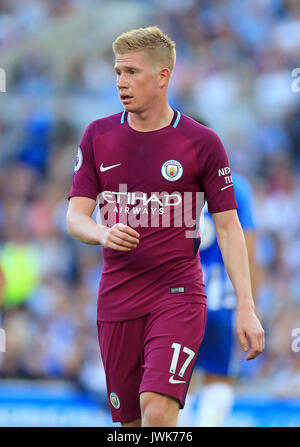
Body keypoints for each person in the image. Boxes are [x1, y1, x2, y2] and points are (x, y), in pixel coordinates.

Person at [66, 26, 264, 427]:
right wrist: (102, 232)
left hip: (178, 295)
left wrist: (247, 305)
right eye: (118, 72)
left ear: (163, 76)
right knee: (132, 425)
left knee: (157, 410)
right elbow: (75, 216)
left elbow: (229, 228)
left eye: (132, 72)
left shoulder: (202, 143)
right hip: (117, 298)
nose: (121, 82)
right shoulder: (98, 136)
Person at [178, 146, 260, 426]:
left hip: (182, 300)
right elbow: (248, 249)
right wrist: (250, 305)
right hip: (222, 300)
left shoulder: (172, 184)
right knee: (220, 377)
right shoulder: (236, 186)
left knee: (178, 378)